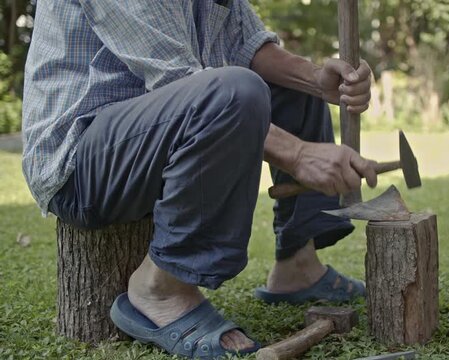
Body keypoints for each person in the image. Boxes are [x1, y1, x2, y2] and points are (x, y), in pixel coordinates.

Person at [22, 1, 376, 357]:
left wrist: (316, 80)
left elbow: (249, 46)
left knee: (291, 87)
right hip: (78, 162)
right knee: (235, 91)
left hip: (148, 136)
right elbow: (182, 78)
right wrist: (299, 155)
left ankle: (298, 266)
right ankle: (160, 290)